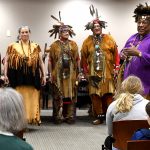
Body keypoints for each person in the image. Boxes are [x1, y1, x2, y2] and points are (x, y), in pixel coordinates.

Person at [81, 5, 120, 125]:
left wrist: (117, 68)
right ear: (91, 28)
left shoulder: (109, 39)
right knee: (95, 96)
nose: (97, 28)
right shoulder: (87, 41)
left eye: (98, 26)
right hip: (93, 74)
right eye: (94, 27)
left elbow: (116, 55)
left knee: (108, 95)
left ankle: (110, 117)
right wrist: (86, 72)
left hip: (107, 72)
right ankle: (99, 117)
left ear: (101, 27)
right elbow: (83, 58)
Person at [4, 26, 46, 125]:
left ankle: (31, 118)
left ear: (29, 33)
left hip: (33, 77)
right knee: (18, 98)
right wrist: (5, 74)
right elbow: (6, 61)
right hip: (17, 77)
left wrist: (44, 75)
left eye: (26, 32)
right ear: (19, 34)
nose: (24, 34)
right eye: (22, 32)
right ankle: (18, 120)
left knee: (32, 96)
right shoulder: (12, 46)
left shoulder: (35, 46)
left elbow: (40, 62)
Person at [47, 12, 80, 124]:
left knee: (71, 95)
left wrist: (79, 73)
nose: (66, 33)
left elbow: (77, 60)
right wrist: (51, 74)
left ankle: (69, 116)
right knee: (58, 96)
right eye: (64, 31)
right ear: (59, 33)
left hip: (71, 74)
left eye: (67, 31)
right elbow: (50, 60)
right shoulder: (54, 45)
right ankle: (58, 116)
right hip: (57, 75)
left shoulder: (73, 44)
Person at [119, 3, 150, 100]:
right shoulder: (133, 37)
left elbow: (138, 53)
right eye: (139, 22)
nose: (140, 25)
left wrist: (139, 53)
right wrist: (122, 54)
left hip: (145, 85)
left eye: (144, 22)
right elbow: (123, 51)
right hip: (129, 84)